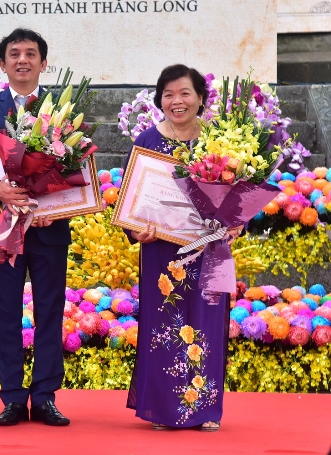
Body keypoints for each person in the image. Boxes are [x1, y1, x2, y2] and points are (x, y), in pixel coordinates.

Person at [0, 28, 71, 427]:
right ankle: (11, 397)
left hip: (49, 229)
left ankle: (44, 397)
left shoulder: (63, 107)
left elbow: (76, 164)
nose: (22, 60)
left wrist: (59, 199)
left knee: (50, 311)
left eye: (30, 53)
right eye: (14, 54)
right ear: (2, 63)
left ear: (44, 62)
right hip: (5, 229)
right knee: (5, 311)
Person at [125, 64, 232, 432]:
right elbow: (131, 200)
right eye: (168, 94)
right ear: (160, 100)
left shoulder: (220, 141)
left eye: (185, 93)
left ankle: (204, 409)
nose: (177, 101)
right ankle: (164, 409)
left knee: (207, 321)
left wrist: (236, 223)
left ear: (200, 98)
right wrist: (136, 230)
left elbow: (238, 191)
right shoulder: (146, 142)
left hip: (210, 250)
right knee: (166, 323)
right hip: (161, 251)